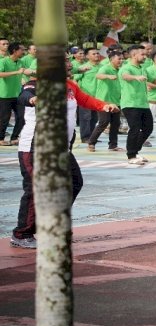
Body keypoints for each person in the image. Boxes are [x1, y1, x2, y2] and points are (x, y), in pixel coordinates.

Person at [11, 61, 118, 249]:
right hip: (36, 147)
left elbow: (85, 100)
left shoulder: (69, 86)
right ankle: (22, 233)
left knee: (74, 182)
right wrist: (33, 100)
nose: (67, 66)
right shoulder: (35, 84)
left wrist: (104, 106)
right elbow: (24, 95)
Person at [120, 45, 153, 164]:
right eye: (142, 54)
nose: (145, 56)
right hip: (130, 103)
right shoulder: (127, 67)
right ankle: (131, 156)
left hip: (143, 104)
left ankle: (135, 151)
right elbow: (125, 76)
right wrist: (135, 77)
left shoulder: (142, 68)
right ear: (134, 55)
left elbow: (151, 79)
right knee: (134, 129)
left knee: (148, 128)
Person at [87, 50, 125, 152]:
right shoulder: (105, 68)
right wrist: (108, 76)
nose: (121, 61)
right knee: (104, 121)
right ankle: (91, 142)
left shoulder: (120, 70)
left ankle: (113, 145)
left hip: (116, 101)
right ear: (111, 59)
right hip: (103, 101)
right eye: (119, 59)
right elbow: (98, 75)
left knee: (115, 123)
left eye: (122, 59)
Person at [0, 43, 34, 146]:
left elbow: (26, 71)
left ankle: (14, 137)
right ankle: (0, 139)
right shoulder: (3, 61)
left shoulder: (20, 62)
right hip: (4, 95)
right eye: (21, 50)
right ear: (15, 51)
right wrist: (16, 72)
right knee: (4, 118)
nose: (23, 51)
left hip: (18, 94)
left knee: (22, 116)